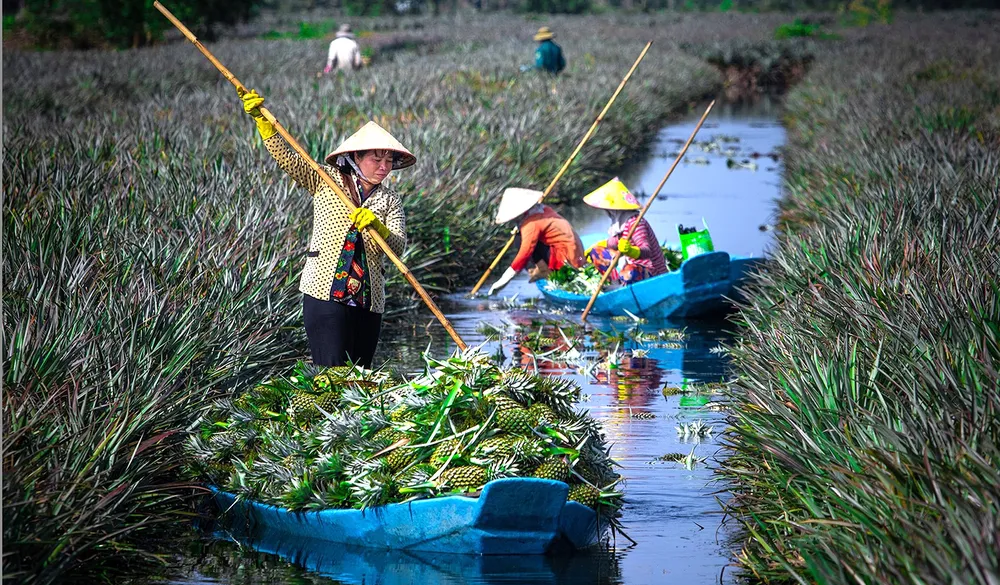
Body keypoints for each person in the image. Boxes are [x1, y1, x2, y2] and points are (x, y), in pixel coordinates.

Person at [240, 89, 414, 368]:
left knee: (361, 378)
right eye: (376, 159)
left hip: (369, 301)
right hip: (325, 293)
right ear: (357, 158)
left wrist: (378, 228)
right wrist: (262, 121)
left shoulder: (389, 199)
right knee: (330, 373)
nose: (384, 167)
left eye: (388, 161)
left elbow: (397, 246)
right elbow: (289, 161)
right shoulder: (327, 180)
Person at [487, 187, 584, 296]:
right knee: (520, 235)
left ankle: (543, 271)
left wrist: (502, 281)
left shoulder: (531, 224)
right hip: (574, 253)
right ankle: (540, 269)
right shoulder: (544, 209)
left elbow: (524, 253)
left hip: (565, 261)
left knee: (519, 239)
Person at [583, 177, 667, 285]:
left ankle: (624, 286)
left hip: (651, 273)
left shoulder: (636, 223)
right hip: (629, 266)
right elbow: (613, 243)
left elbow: (646, 250)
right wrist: (595, 249)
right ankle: (615, 285)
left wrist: (631, 251)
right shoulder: (620, 225)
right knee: (597, 252)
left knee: (629, 271)